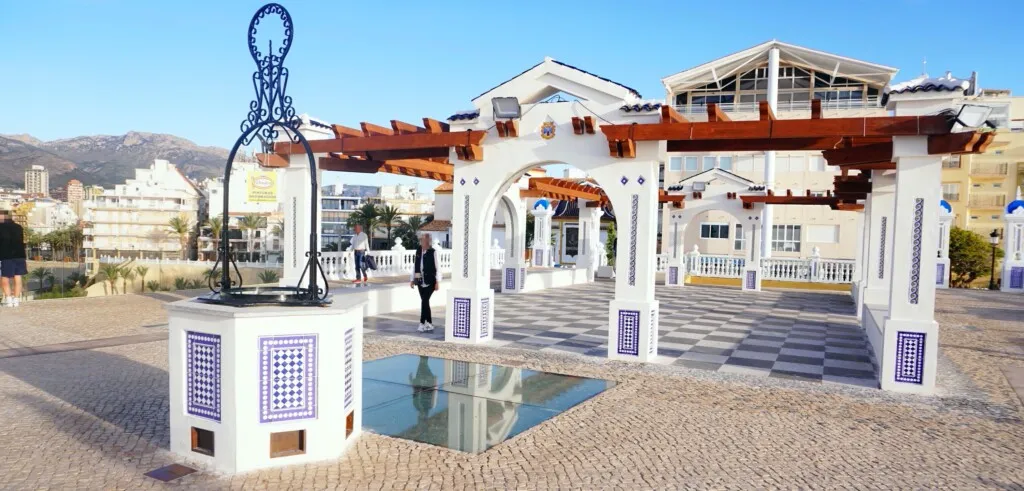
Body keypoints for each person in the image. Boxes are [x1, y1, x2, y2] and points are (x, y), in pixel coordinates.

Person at [410, 234, 441, 332]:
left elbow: (438, 268)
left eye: (425, 241)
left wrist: (437, 282)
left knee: (424, 301)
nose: (423, 242)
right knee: (425, 302)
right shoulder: (418, 251)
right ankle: (429, 323)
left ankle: (422, 322)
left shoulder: (433, 252)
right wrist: (412, 279)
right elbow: (415, 265)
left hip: (430, 281)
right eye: (422, 240)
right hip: (420, 281)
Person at [0, 211, 27, 308]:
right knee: (18, 276)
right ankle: (16, 300)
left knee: (4, 277)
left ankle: (9, 300)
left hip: (5, 255)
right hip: (19, 255)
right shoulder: (19, 227)